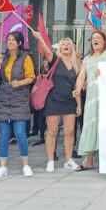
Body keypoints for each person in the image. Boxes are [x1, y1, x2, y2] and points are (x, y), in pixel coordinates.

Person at [73, 10, 106, 171]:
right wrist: (78, 90)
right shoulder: (87, 59)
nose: (95, 40)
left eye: (99, 38)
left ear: (104, 42)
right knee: (90, 125)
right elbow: (81, 76)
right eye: (93, 39)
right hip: (92, 97)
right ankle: (89, 161)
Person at [0, 31, 35, 178]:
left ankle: (26, 164)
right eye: (8, 39)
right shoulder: (1, 57)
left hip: (19, 99)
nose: (10, 42)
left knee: (20, 133)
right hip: (3, 98)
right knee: (4, 135)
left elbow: (31, 77)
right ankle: (3, 166)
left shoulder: (25, 57)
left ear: (19, 43)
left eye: (13, 40)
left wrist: (19, 83)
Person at [33, 31, 82, 172]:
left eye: (68, 44)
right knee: (52, 131)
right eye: (63, 44)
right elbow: (47, 51)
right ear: (59, 48)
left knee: (70, 132)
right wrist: (41, 38)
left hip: (70, 101)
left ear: (72, 48)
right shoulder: (55, 60)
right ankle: (50, 161)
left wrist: (78, 103)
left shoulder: (76, 64)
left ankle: (69, 160)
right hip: (53, 100)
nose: (66, 45)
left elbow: (76, 86)